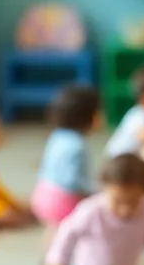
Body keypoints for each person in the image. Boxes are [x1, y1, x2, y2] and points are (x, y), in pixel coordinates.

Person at [31, 84, 100, 230]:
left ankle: (49, 252)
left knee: (53, 230)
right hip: (62, 202)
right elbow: (73, 183)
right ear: (89, 117)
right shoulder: (78, 145)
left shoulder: (57, 135)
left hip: (42, 194)